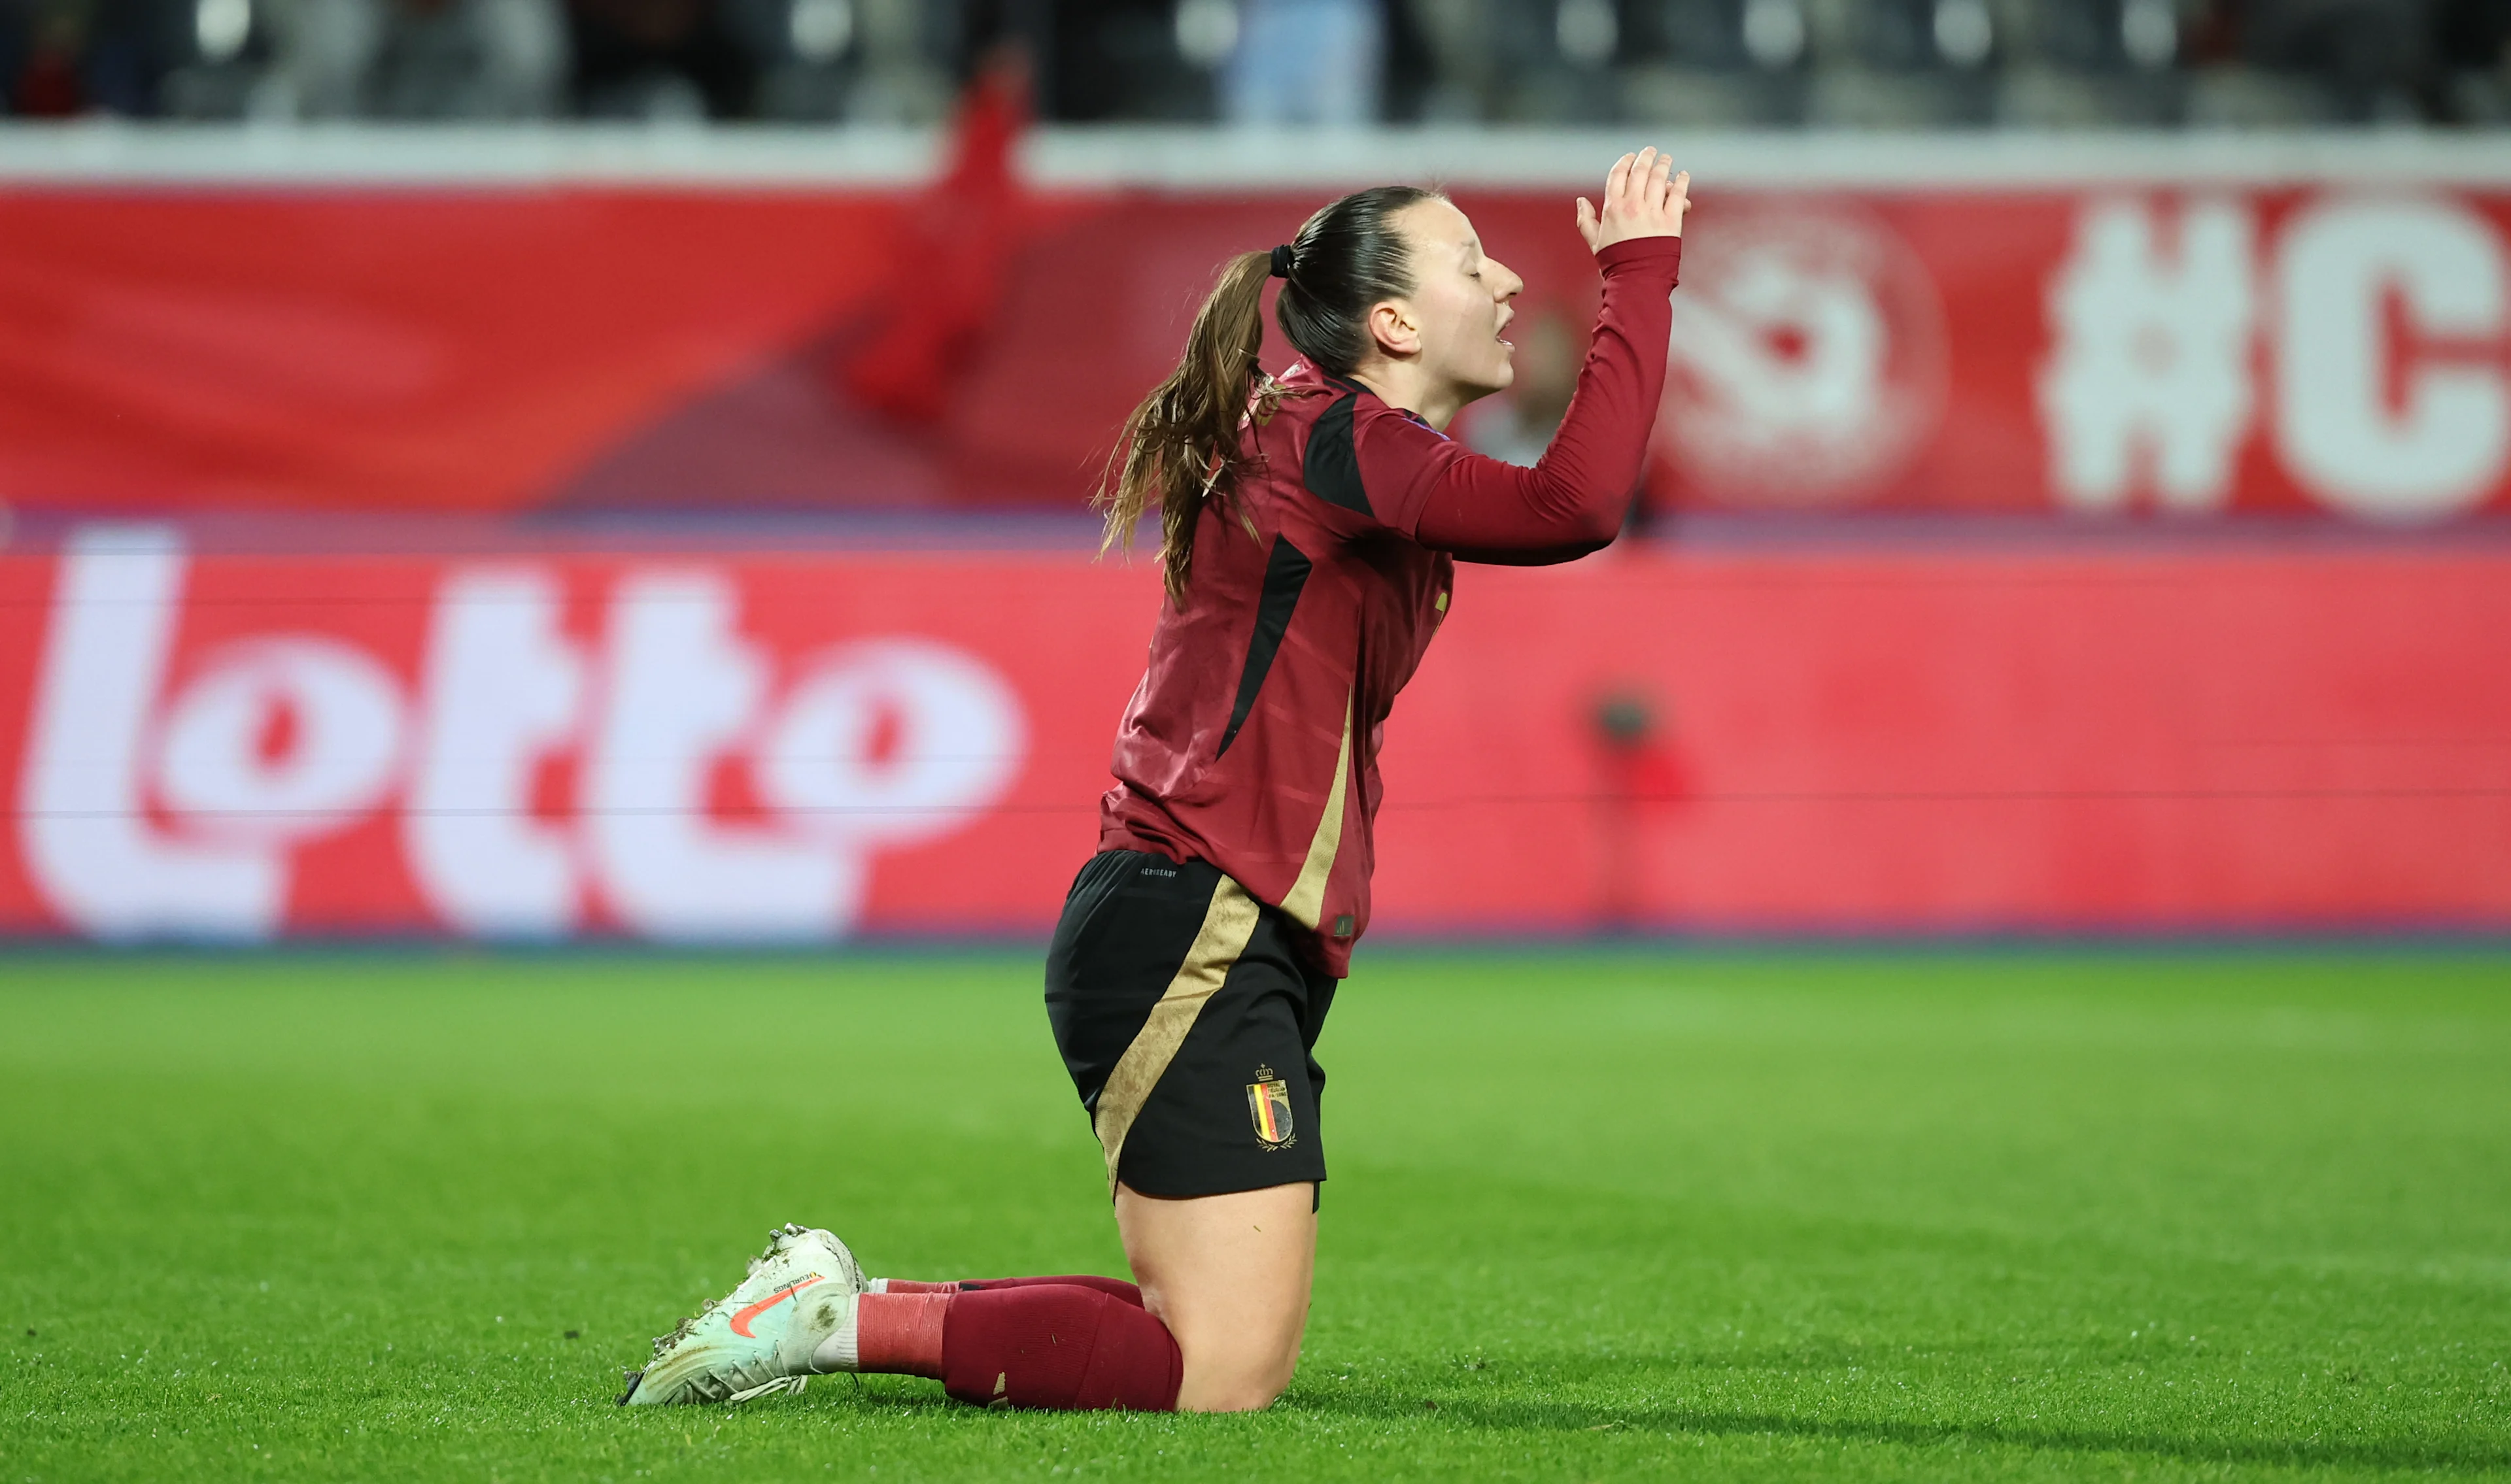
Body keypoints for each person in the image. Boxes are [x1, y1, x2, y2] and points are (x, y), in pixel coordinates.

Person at [618, 148, 1692, 1414]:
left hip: (1211, 915)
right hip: (1197, 918)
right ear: (1393, 321)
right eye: (1471, 263)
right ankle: (833, 1317)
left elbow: (1552, 496)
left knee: (1216, 1344)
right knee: (1219, 1372)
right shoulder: (1327, 429)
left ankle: (832, 1305)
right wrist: (1639, 270)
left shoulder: (1335, 436)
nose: (1507, 280)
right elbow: (1574, 504)